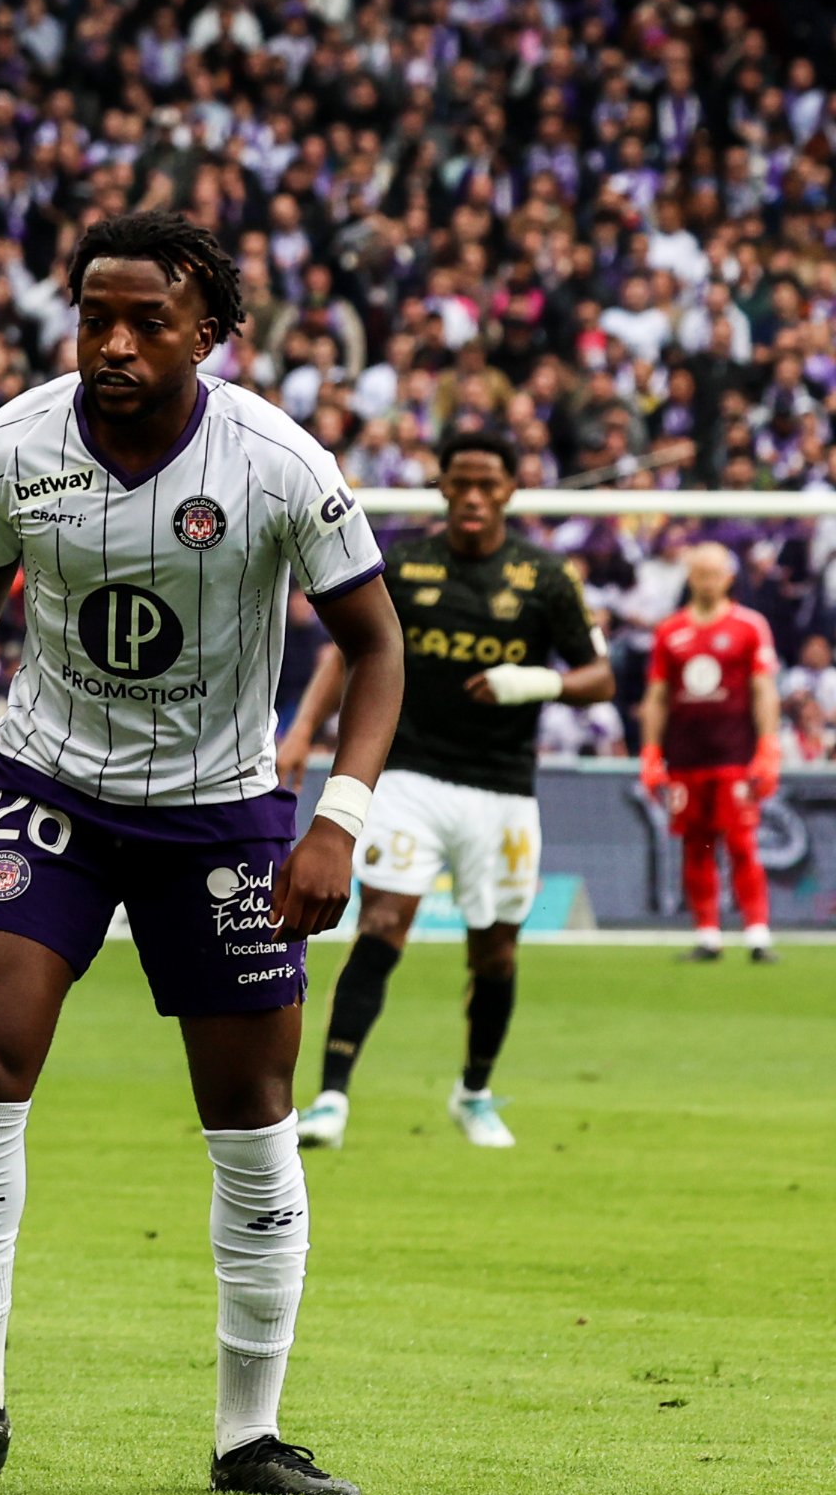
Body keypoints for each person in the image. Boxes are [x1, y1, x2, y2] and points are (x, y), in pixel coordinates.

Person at [0, 212, 402, 1495]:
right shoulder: (12, 446)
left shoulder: (276, 462)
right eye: (96, 313)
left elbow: (376, 644)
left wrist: (337, 817)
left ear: (210, 328)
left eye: (149, 318)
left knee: (251, 1113)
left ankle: (247, 1431)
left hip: (220, 810)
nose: (116, 340)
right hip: (53, 790)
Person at [273, 434, 610, 1150]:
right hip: (409, 774)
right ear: (444, 487)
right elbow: (349, 652)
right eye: (462, 484)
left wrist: (538, 680)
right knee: (383, 922)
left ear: (511, 491)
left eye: (488, 484)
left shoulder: (546, 577)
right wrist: (302, 729)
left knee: (495, 952)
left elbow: (600, 678)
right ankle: (332, 1096)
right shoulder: (406, 564)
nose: (474, 497)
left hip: (503, 789)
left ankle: (475, 1092)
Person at [642, 542, 784, 962]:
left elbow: (764, 690)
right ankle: (708, 934)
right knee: (696, 846)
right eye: (700, 573)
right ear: (690, 578)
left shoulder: (749, 626)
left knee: (742, 844)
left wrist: (768, 746)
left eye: (714, 573)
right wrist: (651, 752)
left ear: (728, 577)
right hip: (685, 757)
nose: (707, 581)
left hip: (734, 755)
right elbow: (657, 696)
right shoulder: (669, 631)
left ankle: (757, 933)